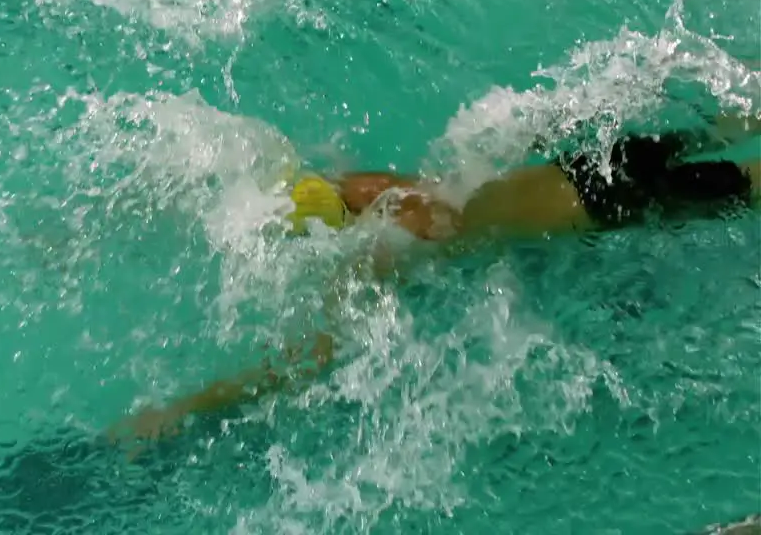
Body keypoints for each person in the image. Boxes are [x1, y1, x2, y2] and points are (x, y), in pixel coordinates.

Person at [108, 111, 761, 447]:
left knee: (744, 184)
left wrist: (184, 409)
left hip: (591, 207)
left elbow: (306, 361)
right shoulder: (372, 189)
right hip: (580, 166)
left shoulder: (376, 253)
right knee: (710, 130)